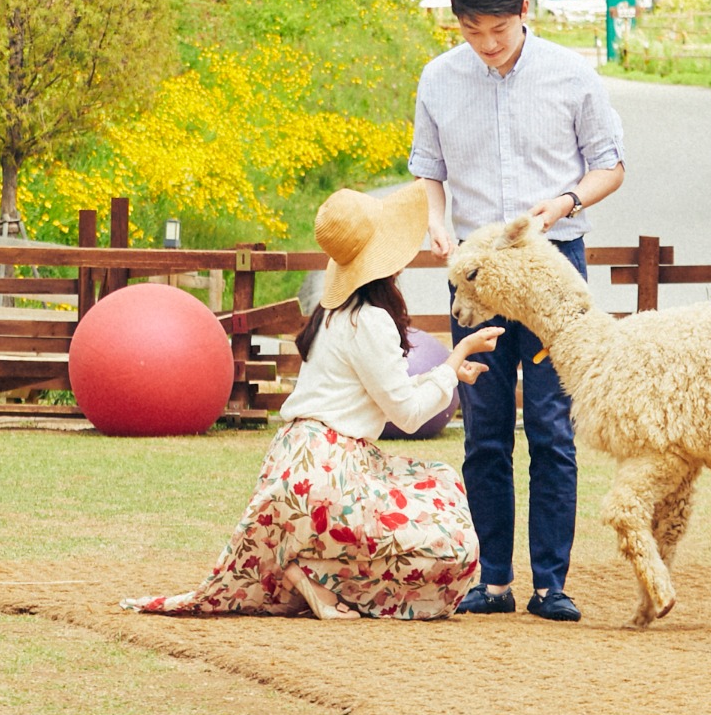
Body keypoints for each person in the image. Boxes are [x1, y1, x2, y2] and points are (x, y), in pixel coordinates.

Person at [127, 182, 499, 620]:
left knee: (415, 499)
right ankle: (318, 568)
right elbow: (410, 414)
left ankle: (312, 568)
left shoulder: (330, 314)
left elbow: (391, 395)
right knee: (449, 534)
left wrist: (448, 372)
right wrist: (457, 355)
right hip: (334, 470)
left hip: (292, 461)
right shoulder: (370, 320)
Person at [413, 0, 626, 619]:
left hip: (553, 264)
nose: (487, 45)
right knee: (482, 427)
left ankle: (551, 584)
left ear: (524, 13)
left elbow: (610, 166)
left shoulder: (571, 74)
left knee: (552, 427)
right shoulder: (440, 79)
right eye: (474, 31)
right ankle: (493, 580)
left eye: (499, 30)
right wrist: (436, 222)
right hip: (477, 272)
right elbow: (429, 168)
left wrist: (563, 203)